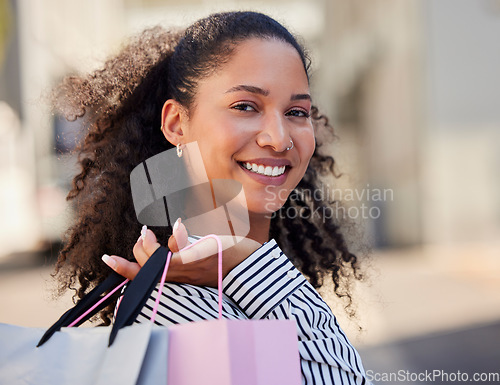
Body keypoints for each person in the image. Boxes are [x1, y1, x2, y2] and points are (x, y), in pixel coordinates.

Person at [53, 11, 370, 384]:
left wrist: (243, 261)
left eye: (296, 112)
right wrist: (250, 266)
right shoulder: (174, 310)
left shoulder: (245, 286)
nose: (279, 137)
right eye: (245, 106)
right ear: (176, 124)